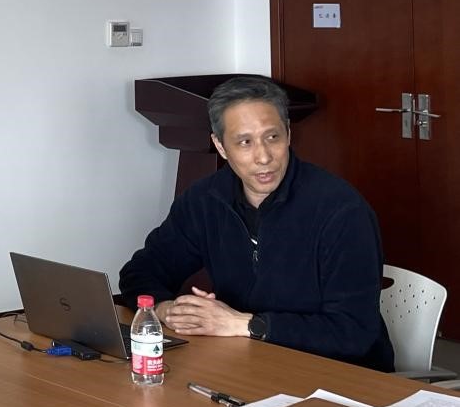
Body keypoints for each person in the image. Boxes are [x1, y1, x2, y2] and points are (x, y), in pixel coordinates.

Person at [118, 75, 394, 371]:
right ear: (221, 146)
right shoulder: (206, 199)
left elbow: (353, 333)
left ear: (288, 134)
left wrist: (245, 324)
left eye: (273, 137)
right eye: (244, 142)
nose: (263, 157)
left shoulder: (341, 210)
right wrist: (165, 309)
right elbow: (140, 272)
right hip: (250, 363)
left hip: (341, 375)